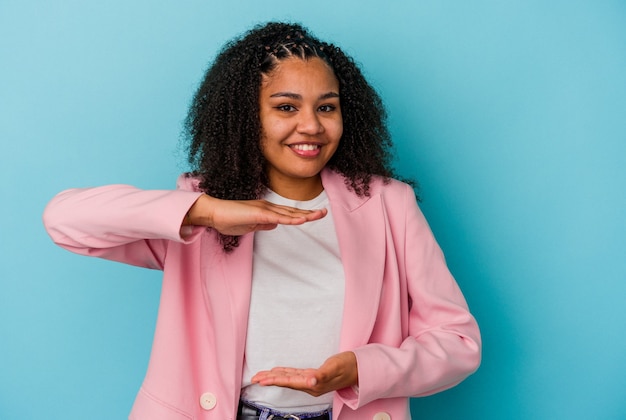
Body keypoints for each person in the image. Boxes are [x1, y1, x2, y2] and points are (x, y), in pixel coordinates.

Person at [43, 21, 481, 420]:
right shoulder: (201, 211)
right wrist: (206, 211)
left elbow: (458, 343)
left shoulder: (390, 205)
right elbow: (64, 220)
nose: (310, 125)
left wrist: (364, 369)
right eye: (286, 107)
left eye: (326, 108)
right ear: (245, 117)